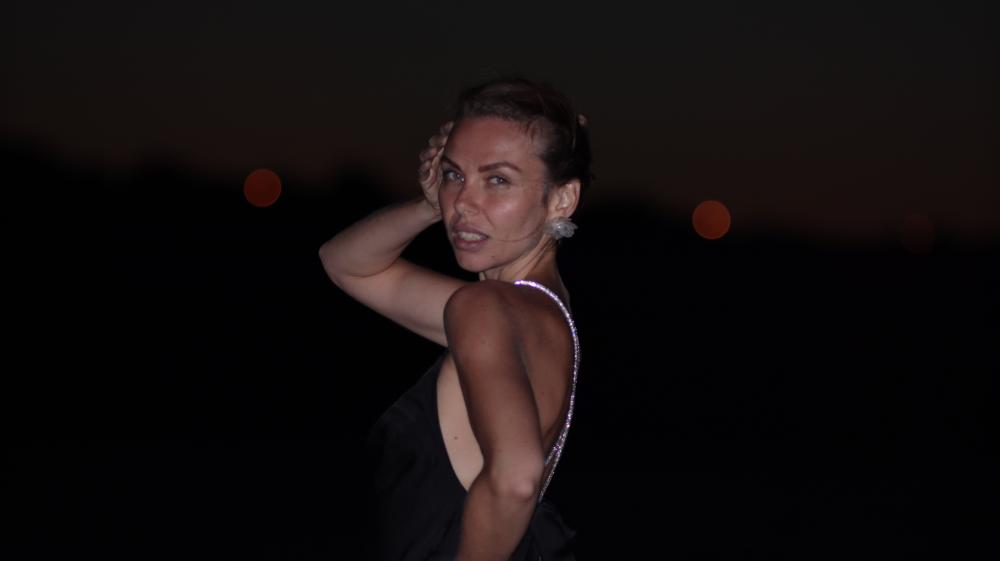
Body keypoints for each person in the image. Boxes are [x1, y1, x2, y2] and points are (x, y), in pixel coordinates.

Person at [318, 76, 592, 561]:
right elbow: (345, 263)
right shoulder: (537, 313)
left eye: (497, 180)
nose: (463, 203)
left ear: (561, 200)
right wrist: (428, 205)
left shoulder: (483, 309)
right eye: (453, 175)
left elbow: (515, 479)